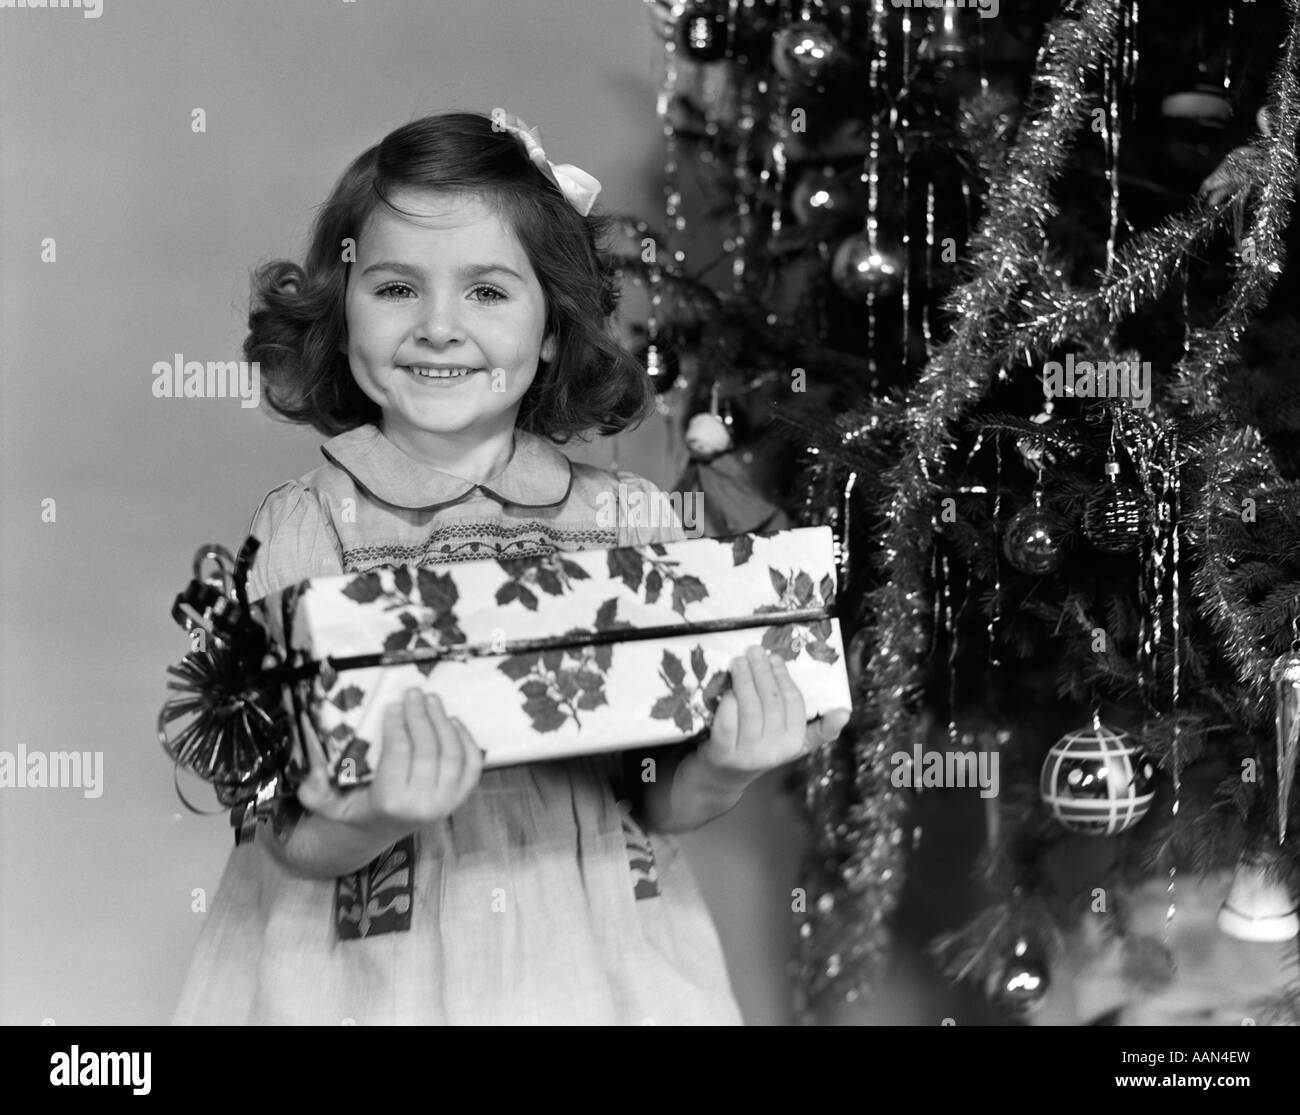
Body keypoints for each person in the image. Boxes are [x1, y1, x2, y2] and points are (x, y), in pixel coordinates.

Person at [171, 109, 851, 1025]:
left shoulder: (629, 524)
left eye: (488, 292)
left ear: (551, 328)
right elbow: (283, 828)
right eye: (396, 288)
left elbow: (650, 799)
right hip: (378, 967)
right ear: (341, 310)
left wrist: (725, 765)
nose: (439, 327)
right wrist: (377, 812)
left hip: (595, 946)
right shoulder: (309, 530)